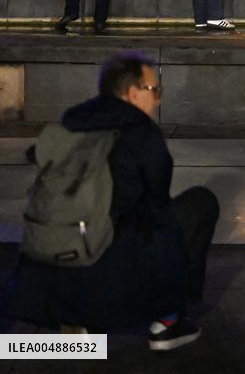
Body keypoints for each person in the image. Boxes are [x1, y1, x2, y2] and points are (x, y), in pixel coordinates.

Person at [9, 52, 220, 351]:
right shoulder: (141, 134)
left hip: (45, 273)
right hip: (109, 271)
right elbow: (158, 202)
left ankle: (79, 323)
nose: (158, 99)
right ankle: (169, 321)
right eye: (154, 90)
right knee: (199, 205)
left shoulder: (72, 122)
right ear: (133, 93)